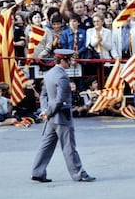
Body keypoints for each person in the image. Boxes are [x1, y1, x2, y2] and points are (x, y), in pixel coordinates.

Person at [31, 49, 95, 183]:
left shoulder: (49, 74)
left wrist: (45, 111)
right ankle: (78, 174)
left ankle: (37, 172)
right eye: (69, 59)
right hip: (61, 117)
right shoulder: (62, 76)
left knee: (46, 146)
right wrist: (48, 112)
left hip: (50, 118)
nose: (72, 62)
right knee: (69, 147)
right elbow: (60, 100)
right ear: (63, 60)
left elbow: (43, 95)